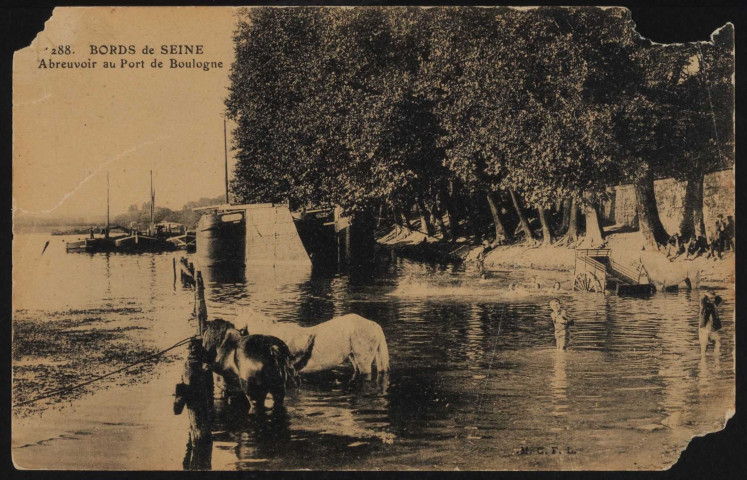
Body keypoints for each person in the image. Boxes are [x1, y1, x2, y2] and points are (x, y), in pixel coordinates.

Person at [698, 292, 722, 356]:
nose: (713, 299)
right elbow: (702, 299)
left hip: (711, 328)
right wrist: (706, 295)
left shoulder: (713, 304)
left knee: (717, 341)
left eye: (714, 298)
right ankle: (704, 361)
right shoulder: (704, 305)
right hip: (704, 328)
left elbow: (719, 298)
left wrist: (712, 296)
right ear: (707, 299)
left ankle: (716, 357)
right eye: (711, 298)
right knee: (705, 345)